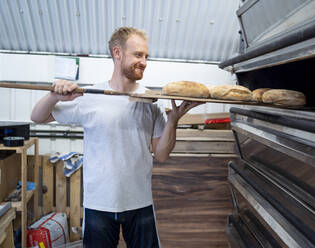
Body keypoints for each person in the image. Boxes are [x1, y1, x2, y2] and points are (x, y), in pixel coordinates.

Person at [31, 27, 202, 248]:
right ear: (117, 53)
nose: (144, 62)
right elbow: (38, 117)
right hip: (99, 203)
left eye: (146, 56)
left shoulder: (150, 100)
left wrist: (174, 120)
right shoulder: (90, 96)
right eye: (138, 55)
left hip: (140, 201)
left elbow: (161, 154)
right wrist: (54, 95)